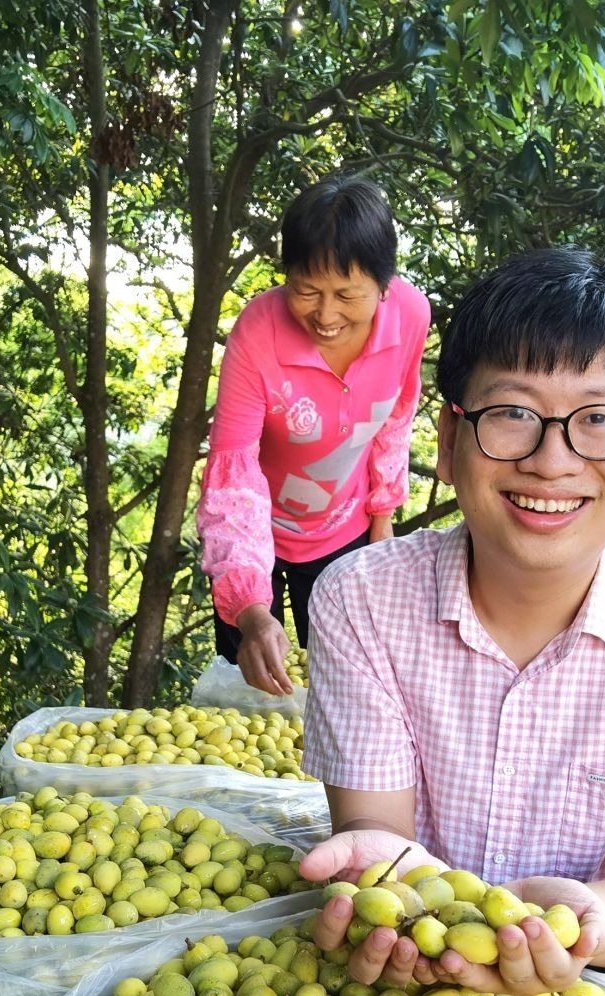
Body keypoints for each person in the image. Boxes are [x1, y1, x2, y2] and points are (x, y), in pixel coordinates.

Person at [297, 246, 605, 996]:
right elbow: (375, 829)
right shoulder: (361, 599)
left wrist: (584, 923)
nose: (553, 461)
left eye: (599, 420)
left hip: (604, 975)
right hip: (407, 961)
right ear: (450, 441)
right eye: (512, 414)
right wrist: (407, 894)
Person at [196, 173, 433, 696]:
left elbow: (396, 416)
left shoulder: (411, 317)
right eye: (307, 291)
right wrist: (252, 613)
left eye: (348, 294)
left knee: (345, 686)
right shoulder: (258, 332)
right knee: (252, 686)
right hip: (253, 534)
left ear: (384, 285)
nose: (326, 315)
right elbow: (232, 473)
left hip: (343, 529)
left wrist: (382, 519)